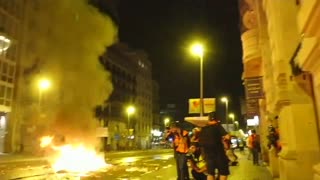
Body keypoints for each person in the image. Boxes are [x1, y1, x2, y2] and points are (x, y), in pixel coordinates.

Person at [199, 112, 230, 180]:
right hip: (219, 154)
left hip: (208, 156)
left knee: (210, 173)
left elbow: (200, 141)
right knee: (224, 172)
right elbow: (227, 136)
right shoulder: (217, 126)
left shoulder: (203, 128)